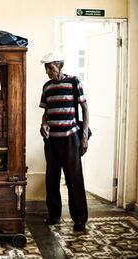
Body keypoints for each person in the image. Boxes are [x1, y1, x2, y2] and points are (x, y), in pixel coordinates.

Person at [39, 51, 89, 231]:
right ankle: (53, 215)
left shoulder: (74, 82)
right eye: (46, 68)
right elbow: (45, 113)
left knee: (73, 179)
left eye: (50, 68)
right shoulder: (47, 87)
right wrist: (44, 124)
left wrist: (83, 138)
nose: (48, 72)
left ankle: (80, 219)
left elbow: (85, 109)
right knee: (51, 179)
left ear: (60, 66)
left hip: (70, 139)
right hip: (52, 141)